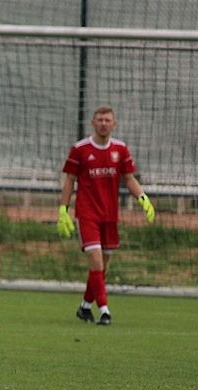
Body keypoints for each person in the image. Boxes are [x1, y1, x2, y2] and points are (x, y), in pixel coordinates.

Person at [57, 105, 155, 326]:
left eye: (107, 120)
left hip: (110, 216)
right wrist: (63, 209)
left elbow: (129, 178)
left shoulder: (120, 149)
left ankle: (84, 307)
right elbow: (70, 181)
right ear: (93, 123)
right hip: (87, 214)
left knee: (101, 268)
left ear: (114, 124)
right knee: (96, 262)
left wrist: (143, 198)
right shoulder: (80, 149)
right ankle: (104, 311)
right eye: (99, 119)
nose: (103, 123)